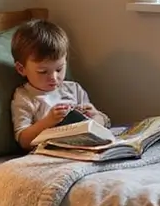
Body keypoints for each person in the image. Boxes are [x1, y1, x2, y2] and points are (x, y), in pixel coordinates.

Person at [11, 19, 109, 151]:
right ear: (21, 69)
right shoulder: (24, 97)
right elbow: (23, 141)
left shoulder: (73, 89)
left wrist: (95, 116)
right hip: (52, 153)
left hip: (83, 148)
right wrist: (48, 121)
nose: (54, 78)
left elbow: (103, 124)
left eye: (59, 69)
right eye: (43, 72)